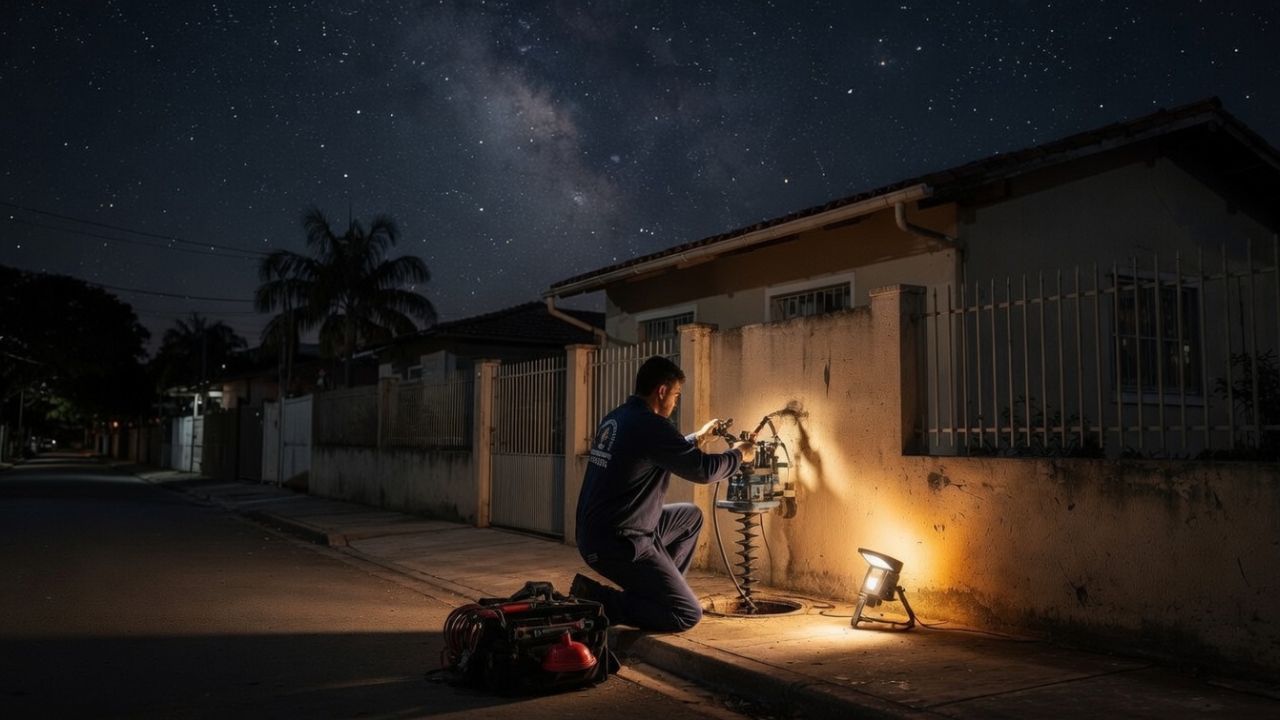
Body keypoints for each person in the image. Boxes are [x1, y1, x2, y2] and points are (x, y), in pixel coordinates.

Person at [570, 355, 755, 632]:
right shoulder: (650, 426)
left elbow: (658, 449)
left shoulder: (619, 418)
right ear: (662, 391)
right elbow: (703, 470)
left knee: (690, 517)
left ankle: (658, 596)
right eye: (677, 395)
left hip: (609, 528)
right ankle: (600, 601)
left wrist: (699, 438)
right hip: (617, 542)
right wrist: (739, 454)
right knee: (686, 613)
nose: (676, 402)